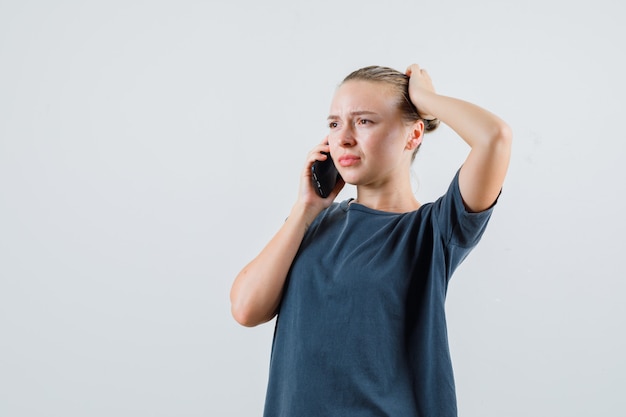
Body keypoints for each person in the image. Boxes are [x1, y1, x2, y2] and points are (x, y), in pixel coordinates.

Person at [230, 64, 512, 416]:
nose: (344, 137)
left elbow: (494, 138)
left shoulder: (435, 229)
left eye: (364, 121)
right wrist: (305, 208)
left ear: (413, 134)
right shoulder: (313, 223)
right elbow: (245, 308)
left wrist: (425, 99)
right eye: (334, 124)